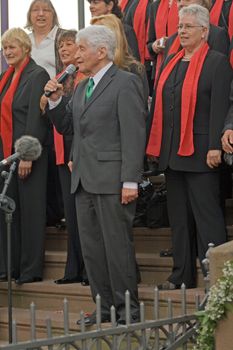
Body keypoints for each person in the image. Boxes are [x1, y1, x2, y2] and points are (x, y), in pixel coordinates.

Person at [45, 25, 146, 325]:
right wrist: (54, 100)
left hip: (113, 180)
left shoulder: (125, 82)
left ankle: (128, 311)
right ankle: (104, 308)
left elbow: (133, 133)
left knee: (117, 248)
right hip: (83, 181)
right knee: (92, 250)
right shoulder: (79, 86)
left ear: (101, 51)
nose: (75, 55)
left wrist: (130, 179)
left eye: (80, 49)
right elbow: (68, 126)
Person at [147, 5, 232, 290]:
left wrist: (214, 147)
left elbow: (219, 107)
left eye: (188, 27)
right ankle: (180, 274)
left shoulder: (217, 62)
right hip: (173, 154)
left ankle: (218, 276)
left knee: (207, 218)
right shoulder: (171, 61)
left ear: (204, 32)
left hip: (201, 153)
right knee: (180, 221)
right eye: (180, 26)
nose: (181, 31)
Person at [0, 28, 49, 284]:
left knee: (30, 211)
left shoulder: (37, 74)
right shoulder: (5, 77)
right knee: (9, 212)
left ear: (25, 49)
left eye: (13, 47)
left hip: (28, 154)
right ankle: (10, 267)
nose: (8, 52)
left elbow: (36, 118)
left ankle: (30, 269)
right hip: (7, 156)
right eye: (5, 48)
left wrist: (28, 155)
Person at [40, 30, 88, 286]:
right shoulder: (60, 76)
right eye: (61, 45)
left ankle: (87, 270)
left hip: (76, 151)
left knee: (82, 215)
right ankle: (73, 268)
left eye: (70, 44)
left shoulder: (82, 76)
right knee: (70, 215)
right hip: (61, 152)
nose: (64, 49)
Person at [25, 0, 64, 227]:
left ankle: (57, 211)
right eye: (35, 10)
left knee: (54, 157)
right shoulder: (24, 40)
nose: (40, 14)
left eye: (46, 10)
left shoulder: (62, 37)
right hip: (29, 109)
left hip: (55, 105)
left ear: (53, 14)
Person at [90, 14, 149, 106]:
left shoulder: (134, 70)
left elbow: (135, 111)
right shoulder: (89, 70)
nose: (90, 40)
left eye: (95, 35)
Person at [163, 0, 230, 58]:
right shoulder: (170, 41)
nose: (181, 4)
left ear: (203, 3)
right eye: (179, 0)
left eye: (187, 0)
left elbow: (218, 67)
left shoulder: (217, 35)